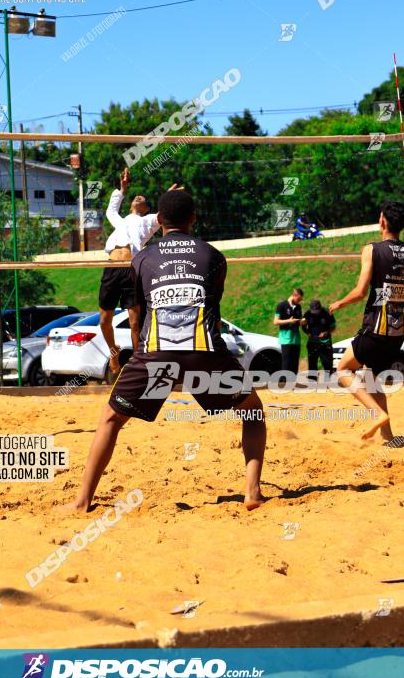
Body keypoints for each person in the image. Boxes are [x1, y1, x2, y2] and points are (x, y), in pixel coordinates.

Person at [65, 189, 267, 513]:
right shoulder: (214, 256)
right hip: (204, 352)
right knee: (253, 411)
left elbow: (140, 315)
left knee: (110, 419)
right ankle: (253, 492)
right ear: (193, 220)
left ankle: (81, 500)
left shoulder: (142, 258)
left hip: (156, 357)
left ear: (158, 220)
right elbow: (212, 308)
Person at [329, 201, 404, 441]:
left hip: (376, 328)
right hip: (398, 333)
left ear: (383, 221)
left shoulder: (372, 249)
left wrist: (339, 304)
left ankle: (376, 414)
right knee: (373, 380)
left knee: (343, 369)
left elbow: (360, 292)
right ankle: (389, 438)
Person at [99, 167, 180, 376]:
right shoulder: (121, 221)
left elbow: (165, 215)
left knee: (135, 322)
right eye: (136, 196)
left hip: (131, 270)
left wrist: (169, 198)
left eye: (142, 198)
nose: (138, 197)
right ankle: (113, 354)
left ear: (146, 208)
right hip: (112, 267)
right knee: (104, 320)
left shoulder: (148, 222)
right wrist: (122, 188)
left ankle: (137, 365)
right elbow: (110, 210)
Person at [302, 299, 336, 377]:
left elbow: (333, 327)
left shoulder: (327, 313)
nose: (314, 313)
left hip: (325, 342)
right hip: (312, 342)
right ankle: (312, 382)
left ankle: (328, 382)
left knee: (327, 364)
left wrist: (326, 333)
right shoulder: (307, 314)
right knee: (312, 364)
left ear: (320, 308)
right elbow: (303, 325)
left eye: (316, 311)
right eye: (313, 311)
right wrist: (307, 332)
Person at [273, 288, 304, 374]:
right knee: (287, 363)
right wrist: (289, 321)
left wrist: (302, 322)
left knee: (295, 363)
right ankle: (285, 383)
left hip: (296, 339)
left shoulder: (298, 307)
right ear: (294, 296)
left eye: (301, 300)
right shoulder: (281, 305)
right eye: (299, 299)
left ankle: (293, 383)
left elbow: (299, 320)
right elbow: (275, 321)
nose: (300, 301)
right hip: (286, 339)